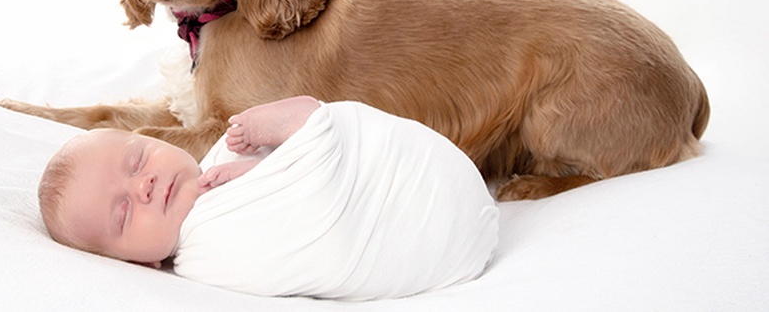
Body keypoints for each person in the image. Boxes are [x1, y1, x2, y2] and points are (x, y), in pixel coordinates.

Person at [39, 96, 499, 300]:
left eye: (138, 160)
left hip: (432, 188)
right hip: (438, 234)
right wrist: (291, 150)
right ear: (141, 263)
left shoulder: (220, 157)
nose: (143, 186)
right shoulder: (208, 257)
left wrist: (257, 164)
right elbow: (307, 222)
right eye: (124, 213)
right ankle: (305, 123)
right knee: (314, 130)